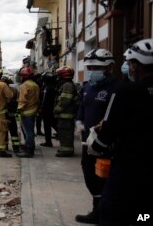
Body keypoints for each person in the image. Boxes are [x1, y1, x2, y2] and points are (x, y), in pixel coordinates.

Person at [89, 39, 153, 225]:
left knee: (112, 210)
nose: (130, 68)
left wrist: (97, 145)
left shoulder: (126, 91)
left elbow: (111, 126)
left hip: (130, 164)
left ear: (136, 65)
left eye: (131, 63)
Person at [74, 49, 119, 224]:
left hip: (105, 142)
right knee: (89, 173)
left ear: (109, 68)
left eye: (97, 67)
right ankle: (97, 208)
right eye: (90, 67)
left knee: (104, 176)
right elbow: (83, 107)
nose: (92, 70)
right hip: (88, 140)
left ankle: (104, 211)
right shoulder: (87, 87)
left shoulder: (117, 88)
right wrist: (79, 121)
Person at [16, 67, 40, 158]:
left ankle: (29, 150)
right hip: (33, 110)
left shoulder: (25, 85)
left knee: (28, 132)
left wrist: (19, 109)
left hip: (26, 112)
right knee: (30, 131)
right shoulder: (35, 84)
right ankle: (28, 147)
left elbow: (22, 99)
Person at [53, 66, 77, 157]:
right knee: (63, 133)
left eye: (59, 75)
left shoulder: (67, 85)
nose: (58, 77)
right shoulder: (67, 84)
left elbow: (64, 101)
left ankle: (67, 151)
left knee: (66, 133)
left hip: (66, 115)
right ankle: (64, 149)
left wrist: (56, 110)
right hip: (65, 115)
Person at [2, 76, 21, 153]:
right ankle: (16, 147)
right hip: (14, 114)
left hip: (5, 114)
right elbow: (18, 101)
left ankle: (5, 146)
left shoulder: (1, 91)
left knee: (5, 131)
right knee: (14, 131)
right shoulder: (15, 90)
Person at [39, 71, 58, 147]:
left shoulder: (49, 88)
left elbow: (45, 100)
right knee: (51, 125)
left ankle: (48, 142)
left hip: (48, 110)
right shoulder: (50, 87)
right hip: (49, 110)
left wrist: (42, 108)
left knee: (48, 126)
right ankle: (49, 141)